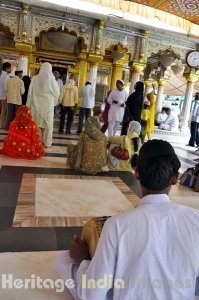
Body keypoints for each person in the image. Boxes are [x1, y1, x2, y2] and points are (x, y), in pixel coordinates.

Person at [56, 139, 199, 300]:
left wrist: (83, 259)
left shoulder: (117, 224)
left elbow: (92, 295)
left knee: (63, 258)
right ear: (175, 178)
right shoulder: (196, 219)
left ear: (136, 172)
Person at [27, 62, 60, 148]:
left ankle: (37, 140)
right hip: (48, 104)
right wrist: (54, 101)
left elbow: (30, 92)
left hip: (35, 103)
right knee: (48, 124)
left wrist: (28, 104)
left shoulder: (34, 79)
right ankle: (47, 142)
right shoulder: (51, 79)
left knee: (36, 123)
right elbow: (57, 92)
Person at [0, 62, 11, 128]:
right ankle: (6, 125)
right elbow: (6, 88)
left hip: (1, 96)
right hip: (5, 96)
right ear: (6, 68)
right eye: (9, 68)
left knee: (4, 111)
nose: (10, 70)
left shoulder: (1, 75)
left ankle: (1, 125)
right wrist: (8, 95)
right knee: (8, 111)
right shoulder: (6, 76)